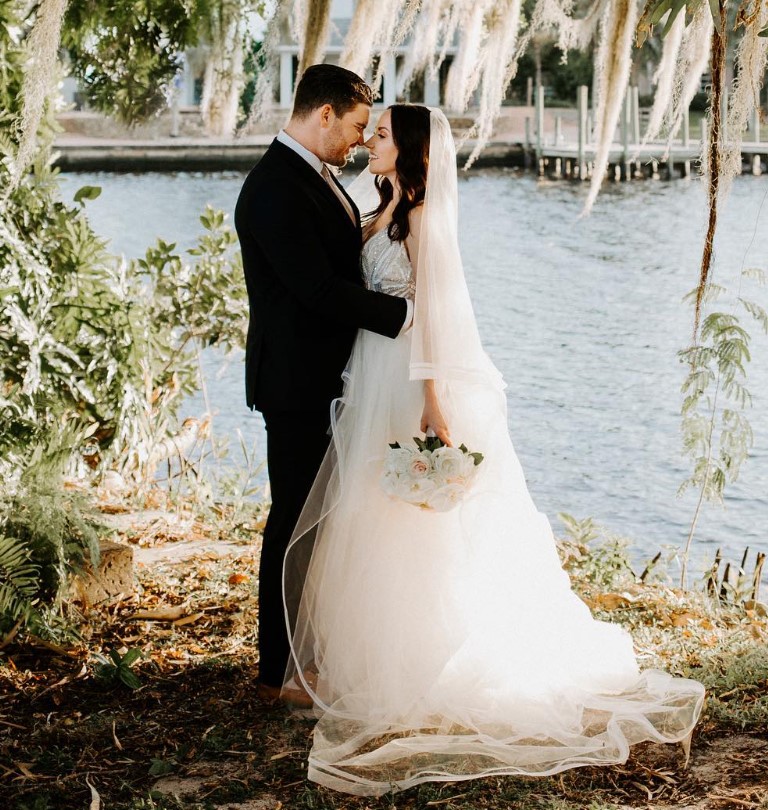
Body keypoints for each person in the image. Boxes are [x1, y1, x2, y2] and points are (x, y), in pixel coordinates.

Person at [282, 104, 706, 796]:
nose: (371, 141)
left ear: (413, 150)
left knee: (416, 521)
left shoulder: (420, 221)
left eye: (383, 135)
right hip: (372, 372)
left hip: (407, 381)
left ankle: (431, 657)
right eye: (372, 130)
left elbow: (435, 322)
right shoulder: (381, 206)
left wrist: (433, 407)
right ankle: (382, 656)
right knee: (377, 515)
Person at [234, 65, 412, 706]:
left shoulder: (317, 177)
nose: (363, 141)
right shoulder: (275, 188)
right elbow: (313, 288)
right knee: (293, 523)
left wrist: (382, 225)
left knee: (320, 521)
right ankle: (276, 673)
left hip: (326, 376)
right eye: (359, 127)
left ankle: (306, 657)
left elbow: (334, 257)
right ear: (325, 114)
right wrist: (406, 317)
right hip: (296, 381)